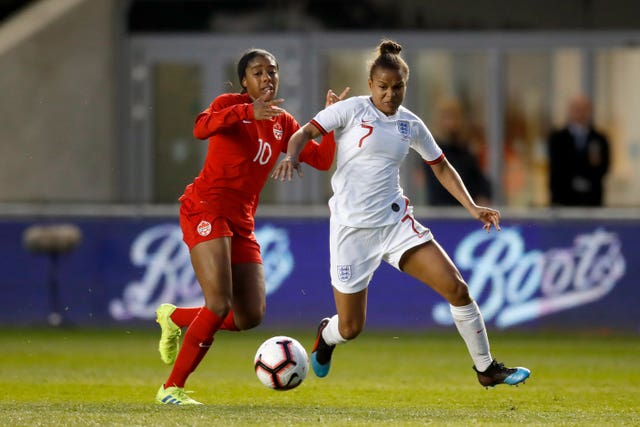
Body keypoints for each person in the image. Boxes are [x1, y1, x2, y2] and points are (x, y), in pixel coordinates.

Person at [272, 40, 530, 388]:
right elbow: (304, 133)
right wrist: (291, 155)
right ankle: (326, 336)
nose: (390, 95)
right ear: (370, 85)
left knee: (457, 289)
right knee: (350, 328)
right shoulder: (349, 110)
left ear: (405, 86)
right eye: (383, 87)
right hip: (351, 231)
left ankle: (486, 369)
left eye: (397, 87)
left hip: (395, 225)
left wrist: (472, 207)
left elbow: (441, 167)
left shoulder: (411, 124)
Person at [154, 48, 347, 405]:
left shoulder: (283, 122)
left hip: (241, 221)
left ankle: (175, 317)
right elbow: (200, 128)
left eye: (271, 71)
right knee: (217, 304)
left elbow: (320, 159)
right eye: (257, 72)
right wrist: (246, 110)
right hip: (206, 208)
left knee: (249, 316)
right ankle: (171, 389)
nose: (267, 78)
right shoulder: (230, 103)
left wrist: (332, 120)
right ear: (244, 81)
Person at [424, 98, 491, 206]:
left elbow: (482, 182)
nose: (452, 123)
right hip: (442, 214)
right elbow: (446, 185)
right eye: (447, 117)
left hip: (466, 214)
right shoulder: (430, 150)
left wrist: (482, 195)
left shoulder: (466, 151)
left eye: (455, 117)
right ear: (439, 121)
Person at [547, 94, 610, 206]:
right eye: (576, 109)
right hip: (563, 200)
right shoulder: (557, 138)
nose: (579, 113)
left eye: (583, 109)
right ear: (569, 111)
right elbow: (556, 168)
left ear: (589, 111)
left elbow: (603, 167)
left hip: (591, 201)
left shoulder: (599, 139)